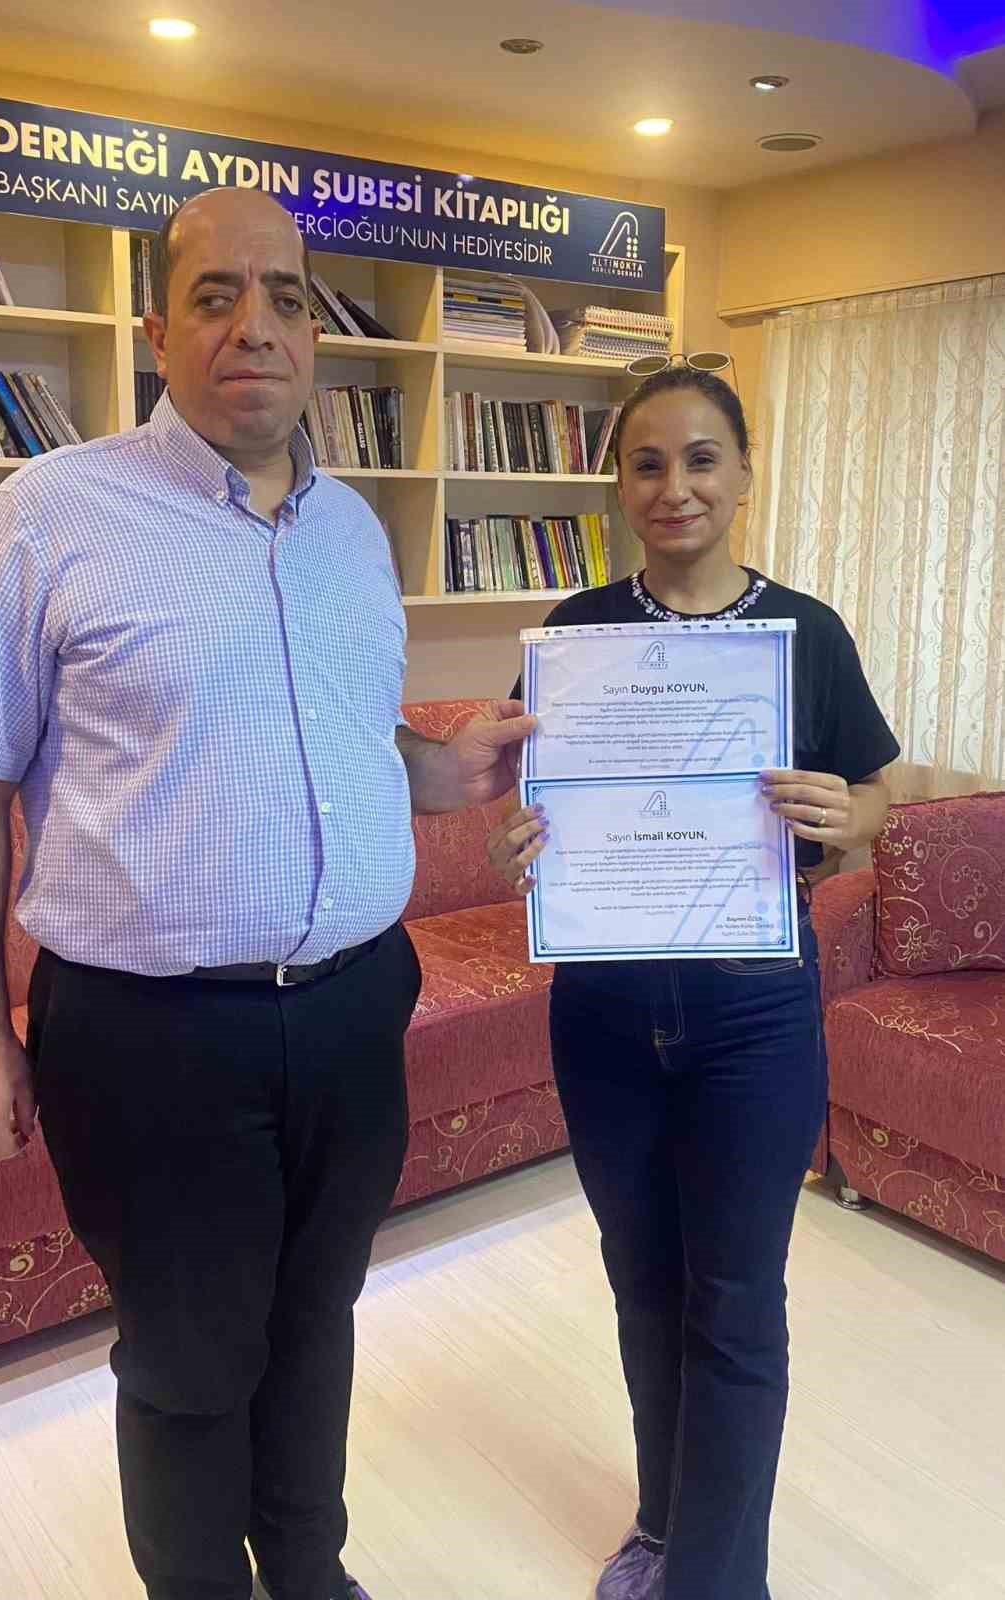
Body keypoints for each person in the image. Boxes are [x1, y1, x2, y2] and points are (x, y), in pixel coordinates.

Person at [0, 187, 533, 1600]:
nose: (255, 325)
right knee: (192, 1363)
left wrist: (438, 770)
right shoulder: (54, 513)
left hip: (356, 1008)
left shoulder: (351, 531)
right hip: (154, 1037)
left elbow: (343, 729)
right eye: (215, 295)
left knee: (317, 1320)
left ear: (315, 331)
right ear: (157, 330)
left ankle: (309, 1574)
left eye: (285, 297)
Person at [488, 365, 899, 1600]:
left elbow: (875, 795)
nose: (677, 486)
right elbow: (530, 794)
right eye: (649, 463)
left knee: (735, 1297)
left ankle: (720, 1580)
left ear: (744, 473)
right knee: (643, 1280)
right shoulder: (575, 631)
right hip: (605, 1014)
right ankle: (666, 1524)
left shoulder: (806, 633)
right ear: (620, 485)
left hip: (752, 1013)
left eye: (703, 458)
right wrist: (522, 839)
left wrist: (849, 814)